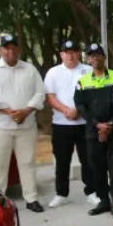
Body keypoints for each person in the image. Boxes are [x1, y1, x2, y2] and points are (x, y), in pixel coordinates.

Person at [0, 34, 46, 213]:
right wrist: (9, 112)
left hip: (26, 125)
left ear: (19, 49)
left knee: (27, 163)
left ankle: (31, 199)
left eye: (13, 47)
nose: (10, 51)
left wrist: (26, 110)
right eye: (6, 47)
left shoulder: (29, 69)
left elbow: (40, 93)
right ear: (0, 50)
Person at [73, 43, 113, 219]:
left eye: (98, 55)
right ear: (88, 60)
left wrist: (109, 125)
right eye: (91, 56)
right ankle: (104, 201)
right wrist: (98, 125)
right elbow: (80, 106)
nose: (95, 58)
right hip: (93, 133)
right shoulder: (83, 82)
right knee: (97, 168)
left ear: (104, 57)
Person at [44, 39, 97, 208]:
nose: (71, 55)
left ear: (79, 53)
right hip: (61, 124)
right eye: (67, 52)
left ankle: (92, 191)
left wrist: (78, 110)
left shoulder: (88, 70)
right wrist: (66, 110)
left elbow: (93, 96)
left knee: (88, 159)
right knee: (62, 160)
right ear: (61, 54)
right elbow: (50, 97)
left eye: (74, 51)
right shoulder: (53, 72)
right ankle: (61, 193)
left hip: (83, 124)